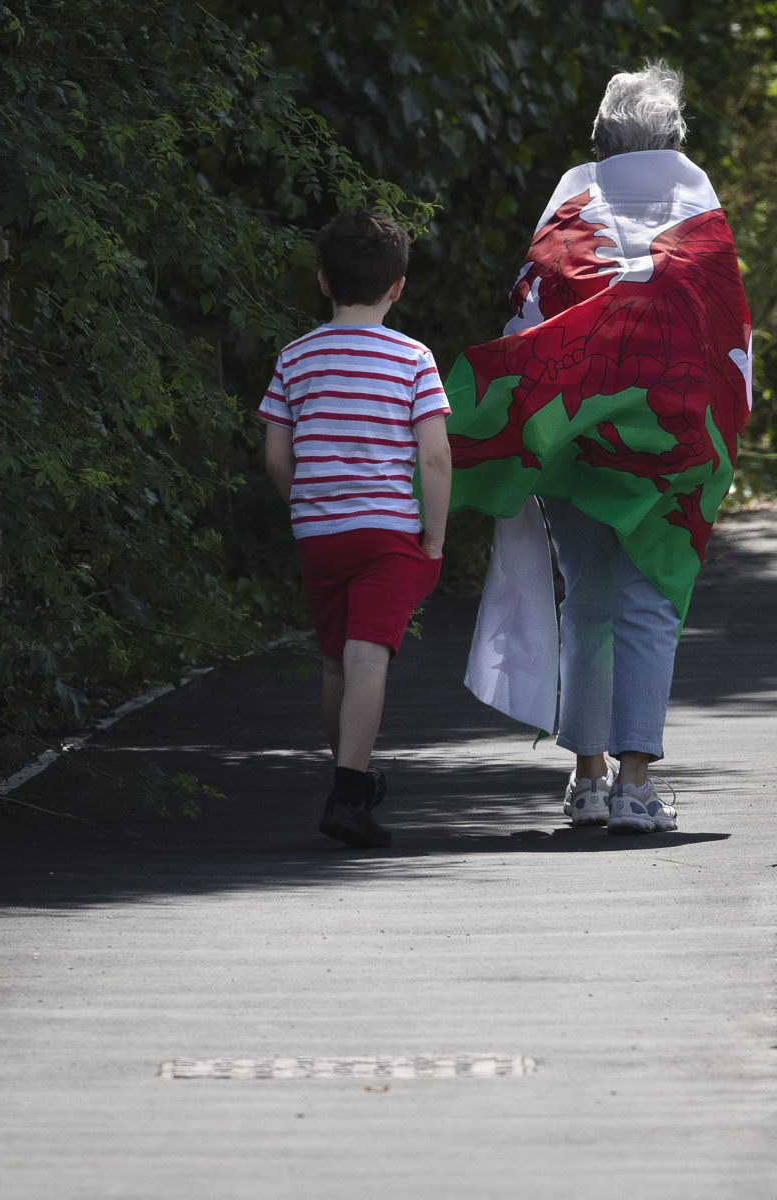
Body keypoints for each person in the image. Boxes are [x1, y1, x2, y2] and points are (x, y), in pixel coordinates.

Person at [445, 61, 752, 834]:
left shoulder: (571, 204)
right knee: (649, 596)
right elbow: (727, 331)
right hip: (668, 440)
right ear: (674, 139)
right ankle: (637, 786)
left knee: (585, 597)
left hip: (573, 442)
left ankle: (587, 778)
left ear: (601, 139)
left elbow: (529, 314)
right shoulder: (699, 209)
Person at [260, 208, 452, 849]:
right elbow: (434, 453)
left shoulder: (295, 358)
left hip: (319, 534)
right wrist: (434, 534)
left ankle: (353, 778)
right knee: (369, 655)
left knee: (335, 661)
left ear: (322, 281)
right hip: (386, 535)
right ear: (398, 285)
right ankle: (347, 793)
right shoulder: (413, 359)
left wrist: (306, 505)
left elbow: (276, 456)